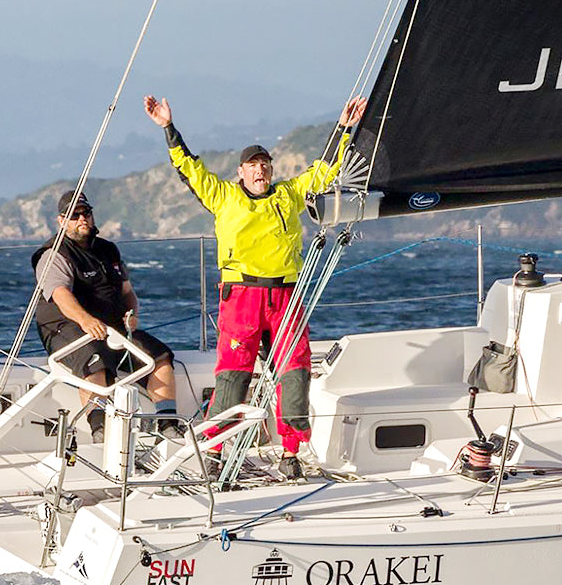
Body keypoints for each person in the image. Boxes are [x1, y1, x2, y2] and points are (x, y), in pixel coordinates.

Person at [144, 93, 365, 478]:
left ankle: (291, 453)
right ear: (241, 172)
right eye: (252, 165)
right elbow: (190, 169)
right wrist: (168, 128)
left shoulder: (289, 195)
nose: (260, 169)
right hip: (242, 297)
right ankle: (215, 449)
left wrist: (344, 127)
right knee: (233, 375)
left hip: (285, 295)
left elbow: (325, 170)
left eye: (265, 164)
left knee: (295, 372)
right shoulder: (224, 196)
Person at [32, 191, 177, 442]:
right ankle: (100, 431)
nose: (82, 219)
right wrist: (85, 321)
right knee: (95, 362)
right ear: (61, 221)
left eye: (86, 213)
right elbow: (60, 294)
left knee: (160, 357)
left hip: (112, 327)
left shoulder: (108, 250)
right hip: (65, 326)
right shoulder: (54, 254)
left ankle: (168, 425)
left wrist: (131, 314)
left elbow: (127, 292)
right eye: (74, 215)